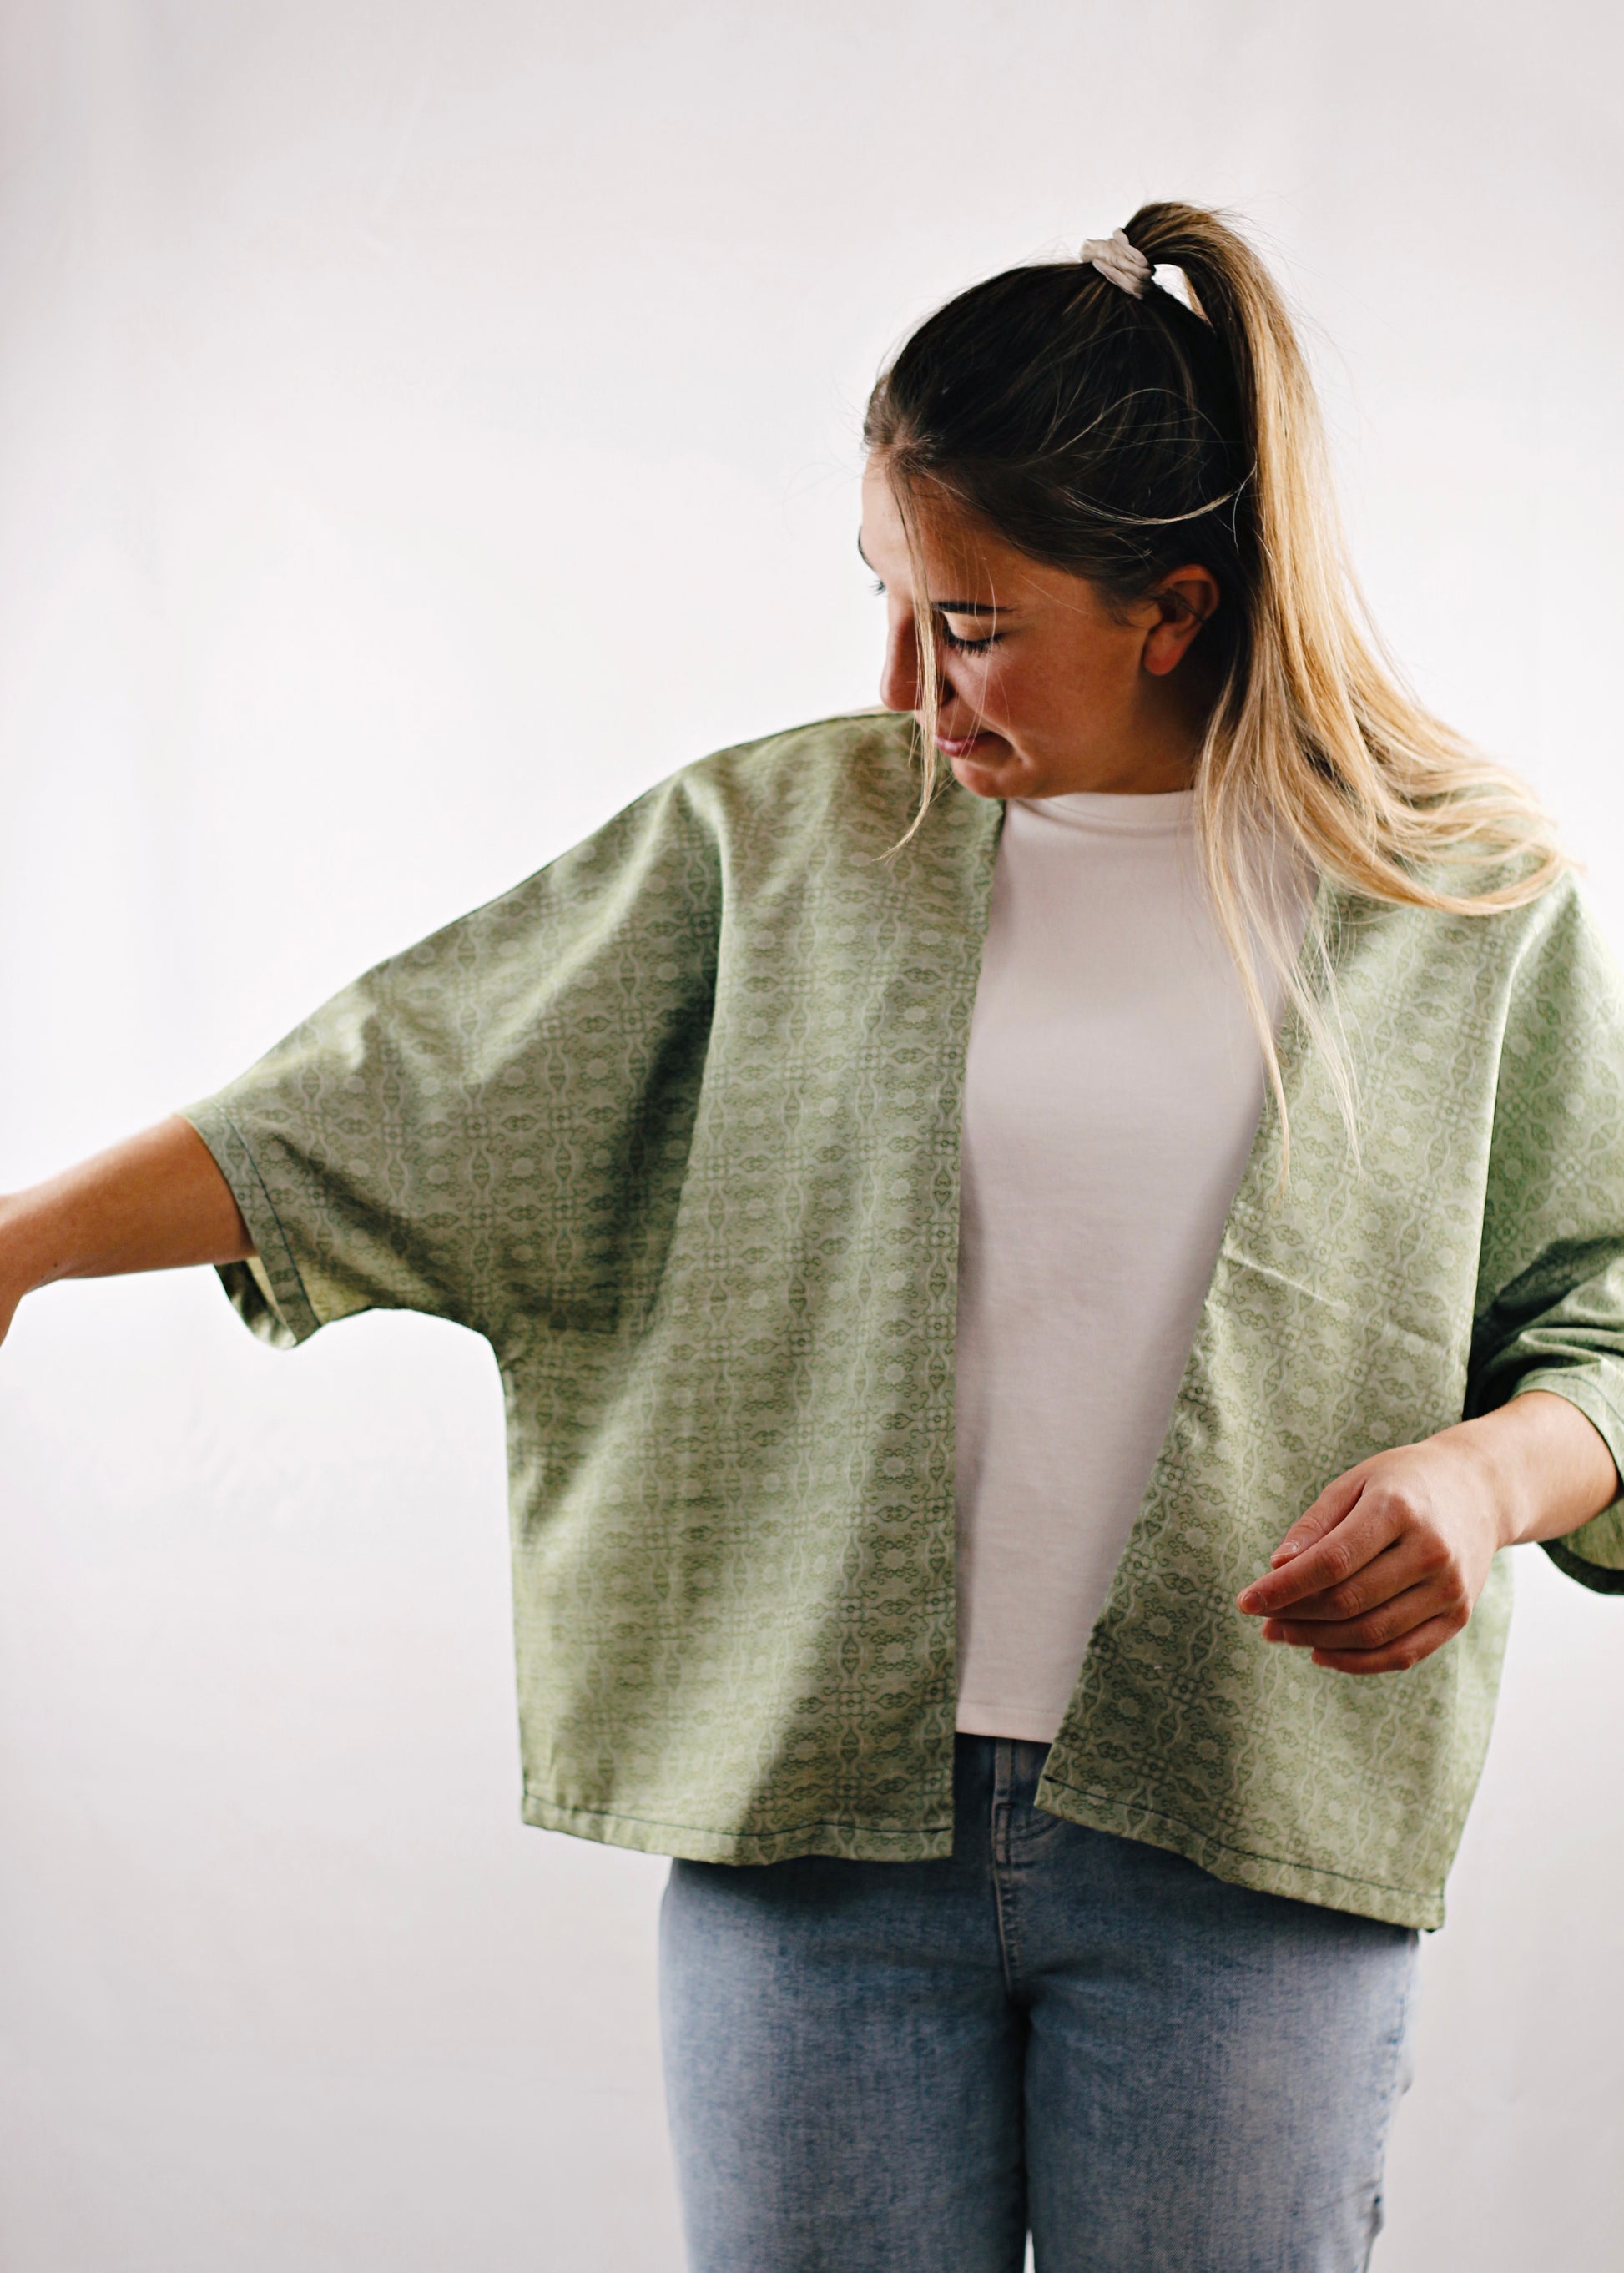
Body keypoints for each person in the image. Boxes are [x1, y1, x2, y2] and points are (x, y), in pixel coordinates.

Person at [4, 202, 1623, 2273]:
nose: (901, 686)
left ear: (1172, 606)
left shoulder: (1455, 906)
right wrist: (24, 1242)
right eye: (886, 598)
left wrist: (1482, 1483)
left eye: (967, 625)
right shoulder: (778, 850)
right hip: (817, 1852)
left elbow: (1606, 1319)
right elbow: (412, 1094)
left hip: (1248, 1853)